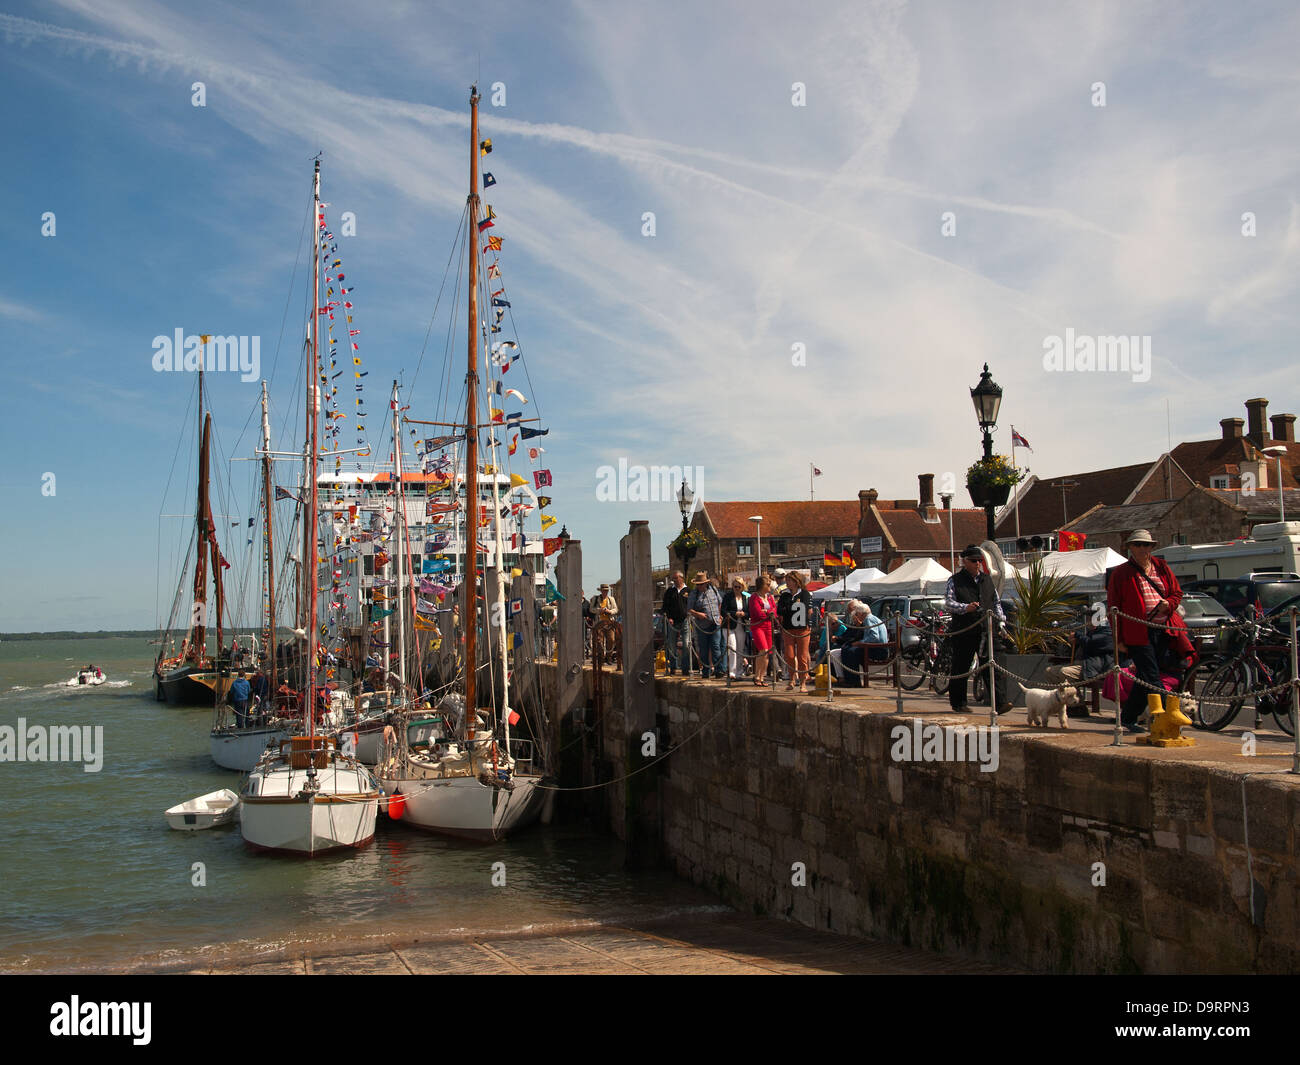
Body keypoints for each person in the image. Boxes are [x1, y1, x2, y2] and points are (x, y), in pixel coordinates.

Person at [1107, 529, 1183, 733]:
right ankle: (1170, 714)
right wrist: (1118, 638)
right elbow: (1113, 607)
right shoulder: (1121, 573)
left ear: (1152, 547)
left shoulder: (1162, 567)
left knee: (1145, 675)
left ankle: (1128, 718)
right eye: (1138, 545)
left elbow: (1176, 592)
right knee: (1152, 675)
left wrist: (1169, 603)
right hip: (1137, 632)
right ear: (1130, 547)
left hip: (1162, 629)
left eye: (1146, 545)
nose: (1142, 548)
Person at [944, 545, 1012, 714]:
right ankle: (958, 703)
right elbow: (949, 603)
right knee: (961, 666)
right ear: (964, 562)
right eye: (974, 561)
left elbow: (995, 602)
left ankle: (1000, 703)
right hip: (964, 630)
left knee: (992, 666)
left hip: (986, 629)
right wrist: (965, 608)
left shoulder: (986, 580)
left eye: (979, 561)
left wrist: (1001, 621)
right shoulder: (955, 580)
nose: (977, 564)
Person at [830, 601, 890, 687]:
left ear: (862, 614)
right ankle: (850, 679)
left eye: (857, 614)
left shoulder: (868, 619)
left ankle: (853, 681)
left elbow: (874, 637)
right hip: (877, 648)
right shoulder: (872, 618)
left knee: (851, 652)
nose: (856, 616)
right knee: (847, 649)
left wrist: (860, 642)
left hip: (878, 650)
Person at [776, 570, 813, 692]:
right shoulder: (784, 595)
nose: (788, 583)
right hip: (788, 628)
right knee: (789, 655)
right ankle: (792, 679)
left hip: (802, 628)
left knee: (802, 656)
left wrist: (789, 608)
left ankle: (803, 682)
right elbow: (780, 610)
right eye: (787, 581)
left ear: (796, 582)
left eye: (790, 581)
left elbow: (804, 608)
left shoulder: (805, 594)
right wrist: (793, 607)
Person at [688, 572, 724, 679]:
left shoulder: (713, 590)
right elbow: (689, 610)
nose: (699, 586)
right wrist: (698, 614)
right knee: (703, 649)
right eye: (698, 584)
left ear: (705, 583)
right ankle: (706, 670)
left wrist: (720, 615)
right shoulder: (693, 594)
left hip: (715, 623)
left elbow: (719, 602)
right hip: (702, 625)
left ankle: (719, 670)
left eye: (701, 584)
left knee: (716, 646)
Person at [748, 575, 777, 686]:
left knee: (768, 652)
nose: (769, 586)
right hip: (758, 626)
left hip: (769, 626)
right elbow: (757, 612)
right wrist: (767, 612)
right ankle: (757, 675)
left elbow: (775, 610)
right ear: (762, 586)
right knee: (763, 650)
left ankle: (762, 676)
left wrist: (768, 611)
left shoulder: (769, 597)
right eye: (767, 584)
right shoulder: (754, 597)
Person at [661, 571, 691, 675]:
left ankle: (685, 668)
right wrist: (669, 617)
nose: (674, 580)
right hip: (672, 622)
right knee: (671, 645)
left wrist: (689, 615)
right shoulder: (669, 591)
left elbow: (691, 605)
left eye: (676, 578)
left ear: (681, 578)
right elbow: (665, 607)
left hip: (685, 621)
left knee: (686, 645)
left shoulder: (688, 591)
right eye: (673, 579)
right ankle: (672, 667)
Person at [721, 577, 749, 679]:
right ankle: (732, 672)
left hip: (741, 625)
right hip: (729, 625)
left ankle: (739, 672)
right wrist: (735, 613)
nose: (736, 588)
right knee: (732, 647)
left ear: (742, 587)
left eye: (739, 586)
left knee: (740, 649)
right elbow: (723, 611)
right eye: (735, 586)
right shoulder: (727, 597)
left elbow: (748, 612)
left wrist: (744, 614)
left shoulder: (745, 597)